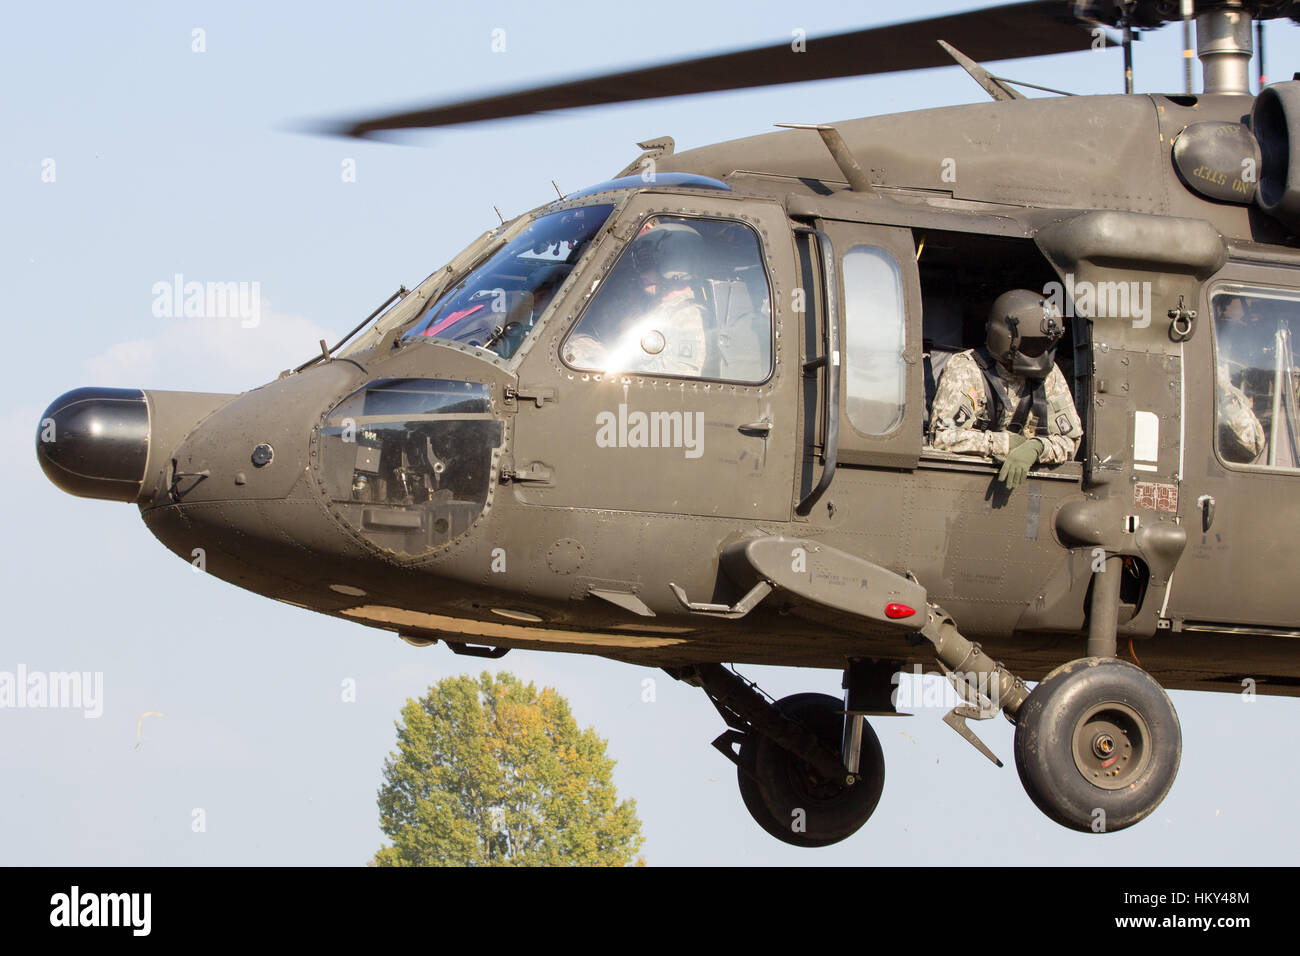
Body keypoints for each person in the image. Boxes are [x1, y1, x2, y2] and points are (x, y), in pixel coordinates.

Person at [929, 289, 1083, 489]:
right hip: (970, 486)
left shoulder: (1049, 374)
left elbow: (1071, 441)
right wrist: (1005, 444)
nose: (1037, 356)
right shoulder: (967, 369)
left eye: (1044, 346)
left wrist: (1037, 448)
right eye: (1030, 346)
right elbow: (944, 437)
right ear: (1004, 338)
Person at [563, 219, 707, 376]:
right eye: (637, 264)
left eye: (645, 263)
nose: (641, 273)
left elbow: (680, 375)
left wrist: (616, 371)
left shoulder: (686, 315)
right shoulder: (659, 309)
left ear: (673, 263)